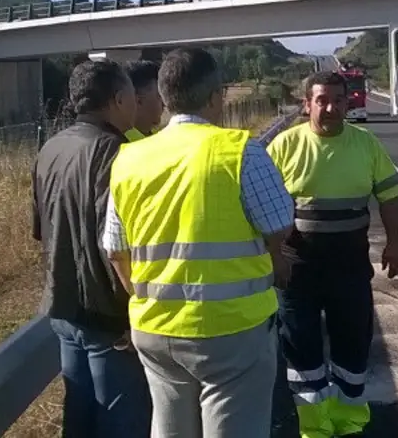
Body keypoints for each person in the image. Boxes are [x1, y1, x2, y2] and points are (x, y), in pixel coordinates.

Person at [102, 47, 294, 438]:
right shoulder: (240, 151)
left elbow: (116, 250)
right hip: (232, 331)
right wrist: (276, 260)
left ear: (166, 97)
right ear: (213, 97)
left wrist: (145, 299)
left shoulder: (128, 159)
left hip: (155, 331)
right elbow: (279, 224)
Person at [265, 71, 398, 438]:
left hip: (349, 266)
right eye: (322, 100)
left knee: (352, 345)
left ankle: (349, 422)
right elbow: (262, 207)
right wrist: (273, 259)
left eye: (338, 101)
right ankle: (316, 426)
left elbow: (388, 197)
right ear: (307, 104)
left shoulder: (366, 144)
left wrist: (395, 243)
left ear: (348, 103)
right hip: (298, 267)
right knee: (301, 348)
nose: (330, 108)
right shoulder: (283, 146)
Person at [31, 59, 150, 438]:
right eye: (132, 94)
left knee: (79, 418)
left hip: (64, 308)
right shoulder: (115, 152)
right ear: (117, 98)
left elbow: (41, 230)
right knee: (121, 421)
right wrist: (133, 312)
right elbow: (115, 244)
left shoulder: (51, 148)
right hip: (109, 316)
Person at [122, 60, 162, 141]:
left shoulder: (160, 134)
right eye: (159, 96)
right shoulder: (122, 143)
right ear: (138, 101)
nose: (164, 103)